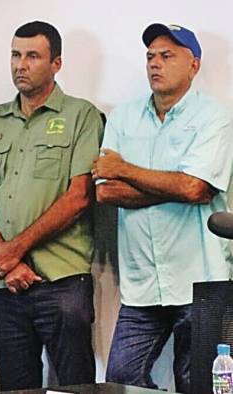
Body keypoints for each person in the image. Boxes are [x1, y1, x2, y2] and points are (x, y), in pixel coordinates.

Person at [0, 21, 104, 390]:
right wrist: (4, 260)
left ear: (56, 64)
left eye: (32, 56)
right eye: (15, 55)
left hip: (61, 281)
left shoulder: (80, 115)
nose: (20, 65)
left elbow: (80, 196)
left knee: (74, 387)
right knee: (16, 387)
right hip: (5, 286)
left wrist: (15, 250)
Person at [94, 23, 233, 393]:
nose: (155, 64)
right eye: (150, 57)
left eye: (167, 56)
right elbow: (106, 192)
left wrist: (126, 170)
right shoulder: (123, 117)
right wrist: (177, 186)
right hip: (142, 283)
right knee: (121, 379)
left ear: (194, 65)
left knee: (200, 383)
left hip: (200, 279)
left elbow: (196, 187)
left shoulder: (212, 117)